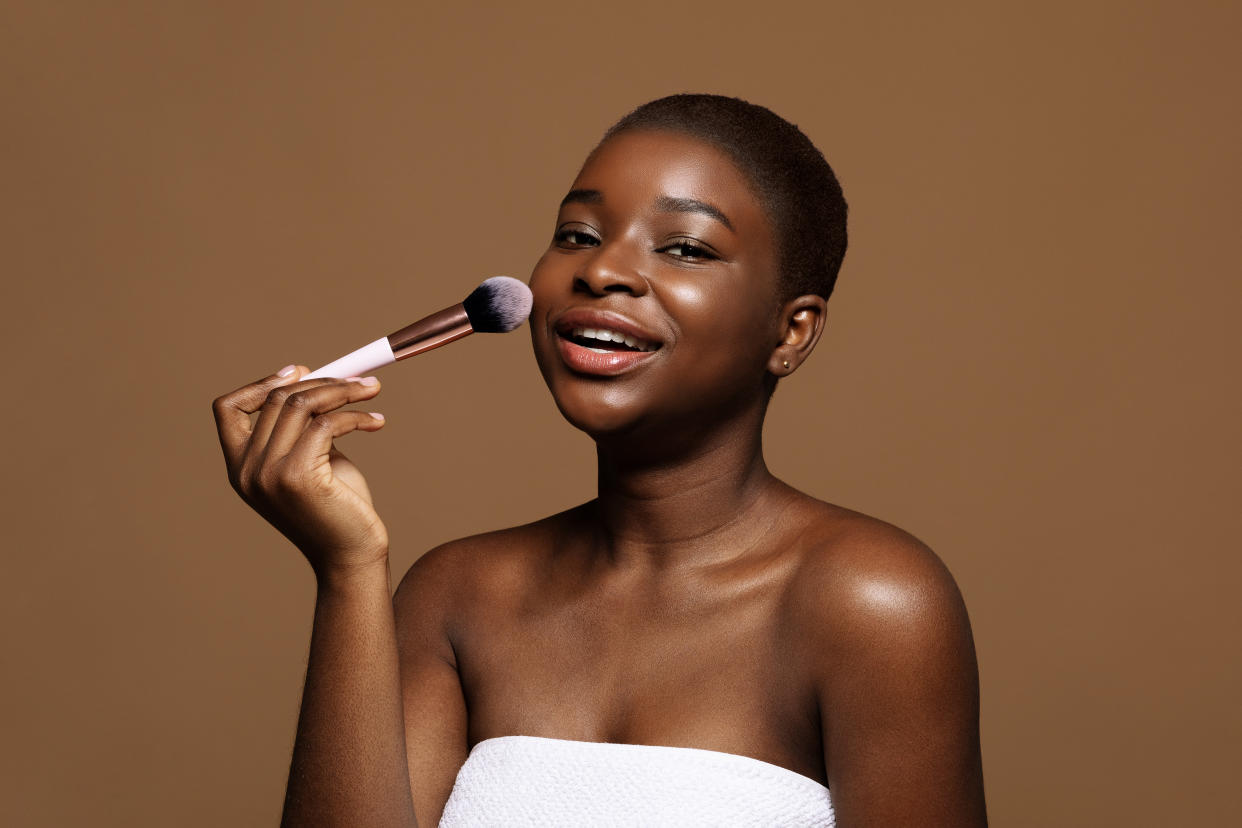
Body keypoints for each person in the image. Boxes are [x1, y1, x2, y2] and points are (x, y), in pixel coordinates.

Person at [212, 94, 987, 827]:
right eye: (577, 235)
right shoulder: (458, 597)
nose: (601, 271)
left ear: (791, 333)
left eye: (685, 247)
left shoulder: (872, 605)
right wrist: (348, 570)